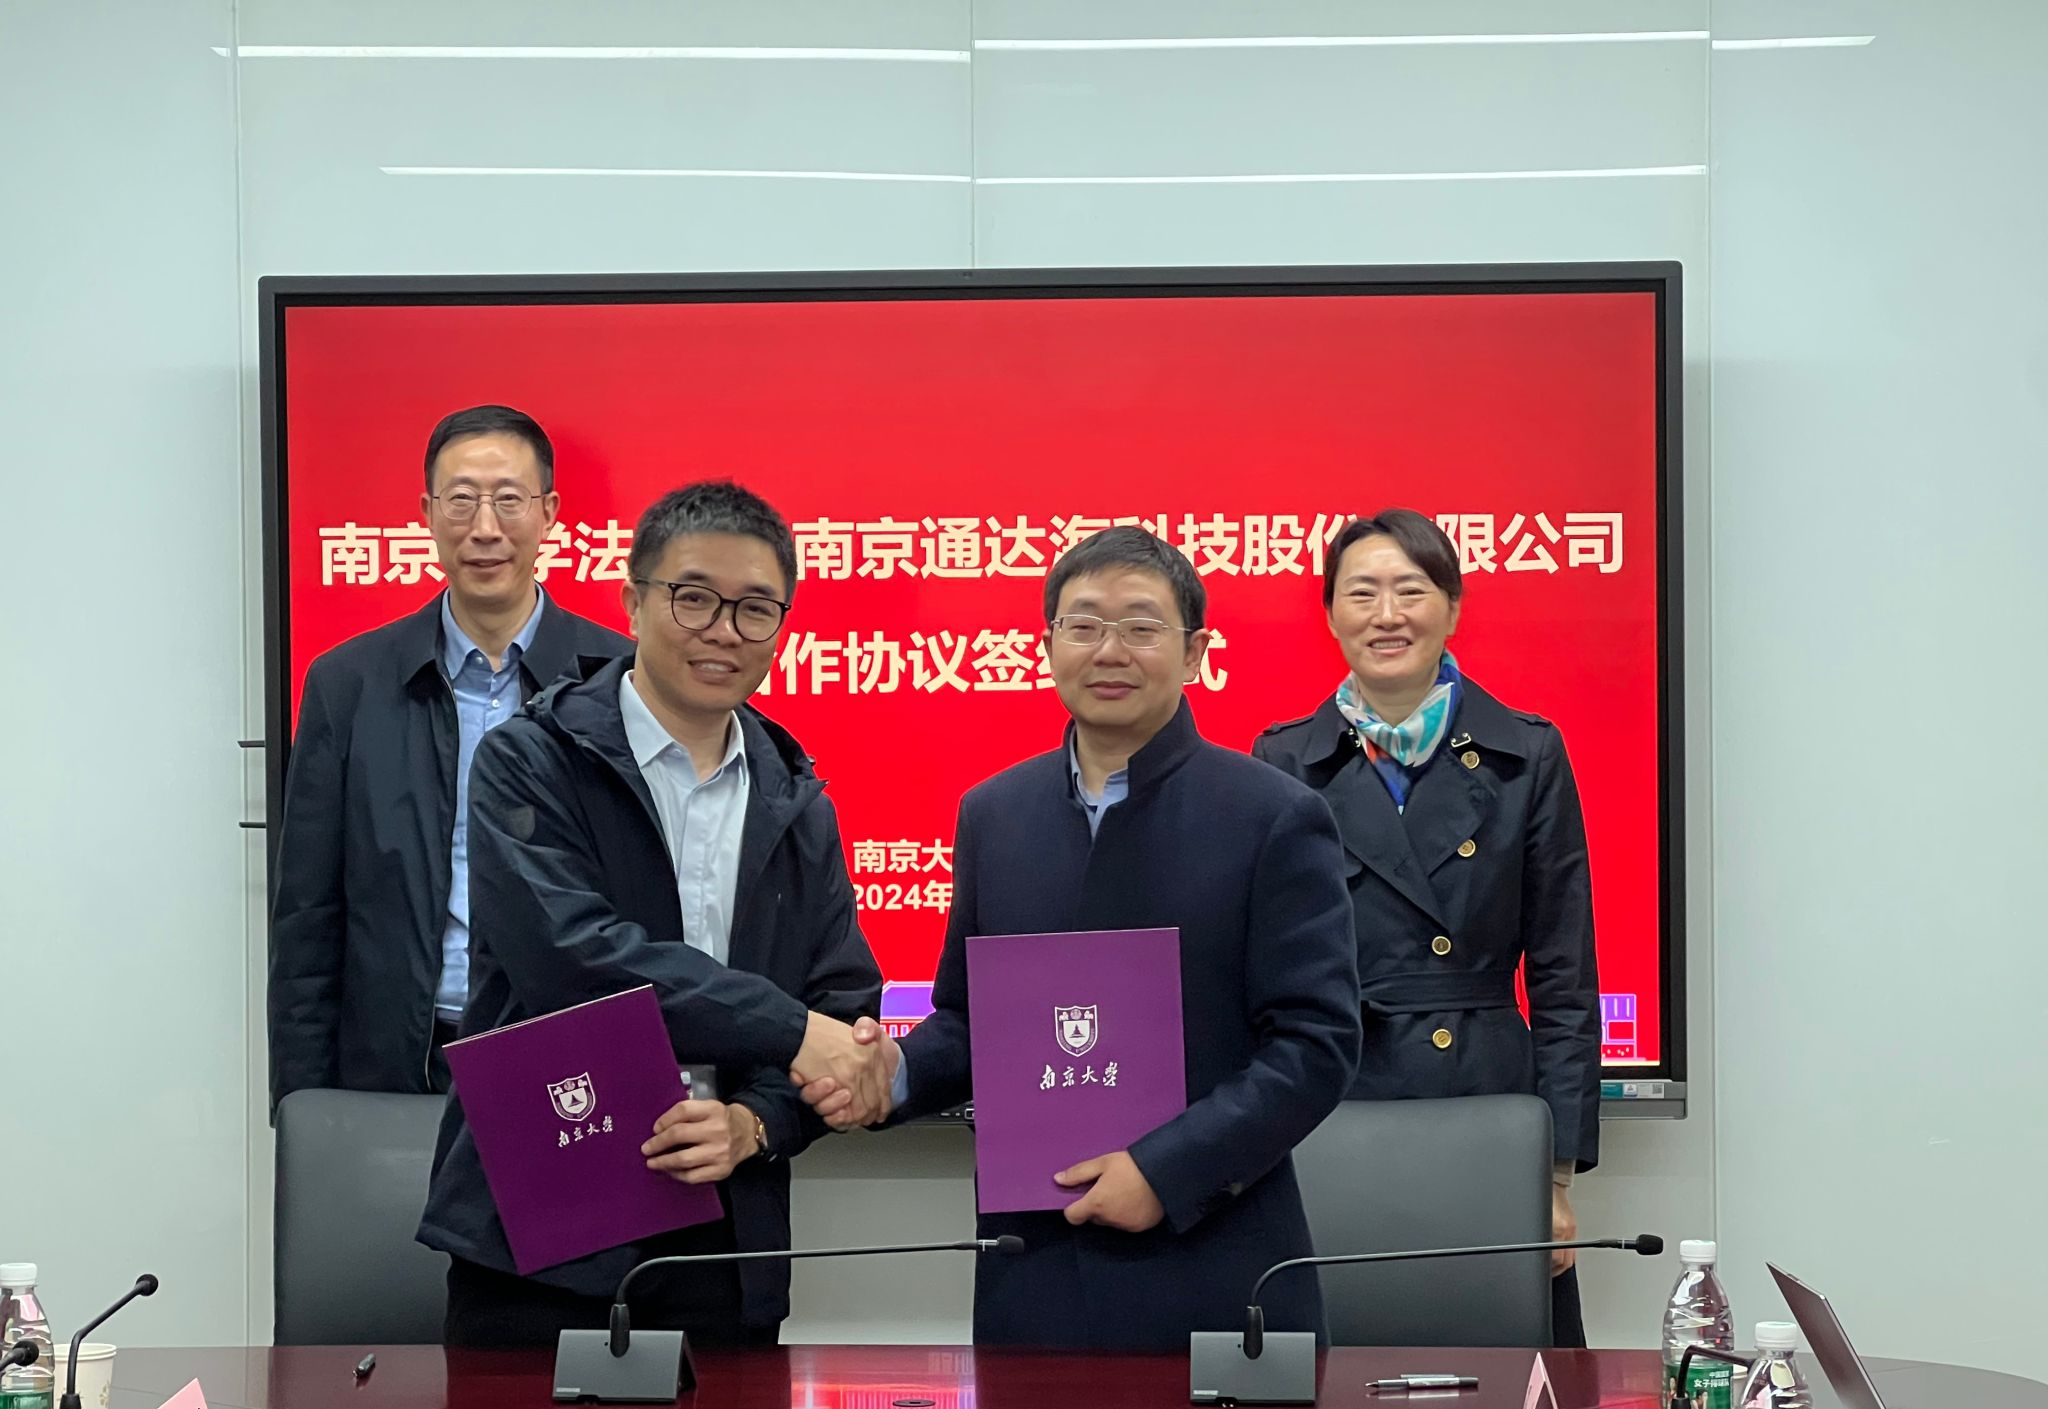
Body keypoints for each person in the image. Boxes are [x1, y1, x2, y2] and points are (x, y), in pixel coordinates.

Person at [799, 527, 1361, 1350]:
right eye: (1085, 624)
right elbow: (971, 1021)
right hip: (1033, 1269)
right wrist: (895, 1074)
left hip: (1214, 1267)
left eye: (1141, 626)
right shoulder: (996, 814)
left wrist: (1165, 1171)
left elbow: (1316, 1045)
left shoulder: (1272, 816)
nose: (1110, 650)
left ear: (1195, 652)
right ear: (1049, 644)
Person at [415, 479, 886, 1346]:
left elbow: (841, 1000)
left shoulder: (795, 797)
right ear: (633, 601)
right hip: (546, 1221)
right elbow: (571, 958)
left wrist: (757, 1123)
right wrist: (790, 1030)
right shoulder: (532, 759)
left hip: (724, 1234)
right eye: (693, 597)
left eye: (756, 609)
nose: (724, 630)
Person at [1252, 509, 1602, 1345]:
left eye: (1410, 591)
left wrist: (1556, 1175)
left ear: (1452, 607)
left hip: (1485, 1101)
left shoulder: (1527, 756)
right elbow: (1260, 976)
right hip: (1338, 1102)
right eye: (1361, 593)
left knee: (1509, 1378)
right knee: (1336, 1384)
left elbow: (1564, 976)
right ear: (1330, 614)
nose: (1387, 615)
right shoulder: (1284, 762)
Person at [267, 404, 632, 1107]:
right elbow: (308, 919)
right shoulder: (347, 684)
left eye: (509, 500)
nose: (485, 528)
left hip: (567, 1059)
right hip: (396, 1062)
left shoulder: (617, 683)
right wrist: (303, 1103)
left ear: (550, 513)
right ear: (428, 513)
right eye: (461, 500)